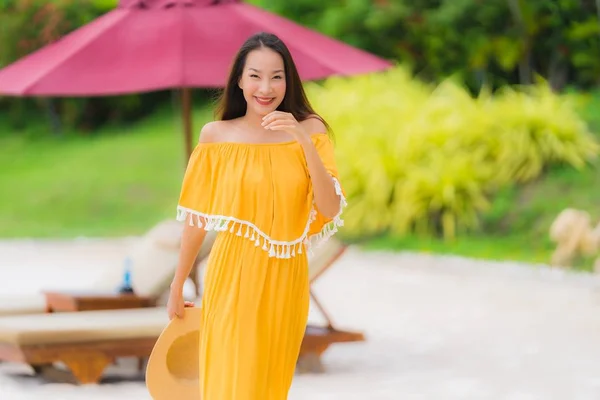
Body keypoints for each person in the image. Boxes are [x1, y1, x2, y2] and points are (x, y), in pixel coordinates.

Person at [166, 31, 346, 400]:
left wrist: (301, 138)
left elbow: (328, 209)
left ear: (288, 80)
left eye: (276, 76)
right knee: (232, 384)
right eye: (255, 75)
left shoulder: (311, 130)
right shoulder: (216, 136)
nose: (266, 87)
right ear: (239, 80)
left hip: (288, 278)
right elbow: (196, 219)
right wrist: (177, 282)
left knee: (269, 387)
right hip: (233, 274)